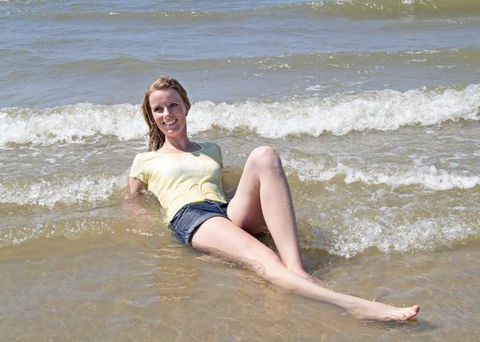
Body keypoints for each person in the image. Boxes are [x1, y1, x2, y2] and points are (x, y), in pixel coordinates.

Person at [126, 76, 420, 322]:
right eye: (159, 109)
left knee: (264, 155)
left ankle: (296, 269)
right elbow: (134, 203)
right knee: (266, 259)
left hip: (223, 211)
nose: (167, 114)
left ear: (186, 107)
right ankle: (354, 305)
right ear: (151, 116)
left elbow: (221, 187)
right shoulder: (145, 160)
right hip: (191, 216)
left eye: (173, 105)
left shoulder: (211, 149)